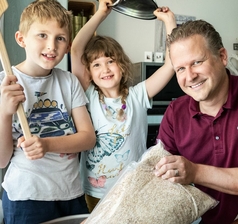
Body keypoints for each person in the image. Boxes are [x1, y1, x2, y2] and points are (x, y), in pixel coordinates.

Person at [154, 20, 238, 224]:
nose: (189, 76)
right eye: (180, 69)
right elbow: (159, 179)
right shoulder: (175, 112)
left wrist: (195, 171)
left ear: (222, 57)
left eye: (197, 62)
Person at [70, 0, 176, 212]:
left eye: (110, 61)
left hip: (132, 187)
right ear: (89, 72)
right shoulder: (88, 95)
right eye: (97, 64)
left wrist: (169, 22)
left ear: (121, 65)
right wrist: (101, 13)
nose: (105, 69)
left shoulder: (137, 95)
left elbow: (172, 64)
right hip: (95, 191)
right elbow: (75, 49)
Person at [0, 0, 96, 223]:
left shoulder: (68, 82)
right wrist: (5, 113)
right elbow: (2, 160)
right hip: (26, 196)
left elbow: (88, 138)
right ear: (21, 39)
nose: (52, 46)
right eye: (42, 35)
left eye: (60, 38)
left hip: (70, 192)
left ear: (68, 45)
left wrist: (47, 145)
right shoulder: (4, 85)